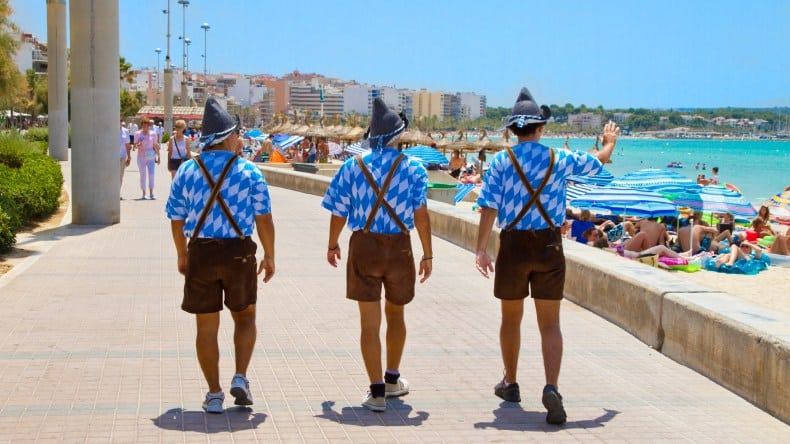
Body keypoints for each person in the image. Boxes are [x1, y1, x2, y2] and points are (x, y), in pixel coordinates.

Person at [474, 87, 620, 425]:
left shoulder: (501, 160)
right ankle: (551, 386)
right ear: (541, 129)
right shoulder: (559, 158)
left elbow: (488, 207)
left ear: (512, 130)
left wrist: (481, 249)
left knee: (511, 319)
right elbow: (597, 161)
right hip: (549, 246)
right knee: (550, 323)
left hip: (513, 246)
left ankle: (510, 383)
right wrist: (609, 141)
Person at [165, 97, 276, 414]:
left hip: (200, 251)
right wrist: (269, 255)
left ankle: (214, 394)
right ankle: (240, 377)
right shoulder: (249, 172)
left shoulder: (187, 170)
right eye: (237, 133)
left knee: (206, 326)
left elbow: (175, 217)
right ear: (228, 136)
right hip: (238, 252)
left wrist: (181, 254)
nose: (240, 139)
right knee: (245, 317)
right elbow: (264, 219)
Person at [322, 98, 433, 412]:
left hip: (364, 247)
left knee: (369, 323)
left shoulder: (353, 166)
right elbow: (421, 214)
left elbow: (338, 212)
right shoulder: (413, 168)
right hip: (399, 247)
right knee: (396, 315)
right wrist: (428, 254)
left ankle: (376, 392)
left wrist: (332, 244)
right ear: (397, 136)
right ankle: (393, 379)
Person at [134, 118, 160, 200]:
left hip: (150, 155)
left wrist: (159, 156)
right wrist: (137, 145)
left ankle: (151, 193)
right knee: (143, 175)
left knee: (151, 174)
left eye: (147, 125)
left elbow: (155, 145)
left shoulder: (153, 134)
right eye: (143, 125)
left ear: (149, 125)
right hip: (141, 156)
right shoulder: (137, 133)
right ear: (141, 125)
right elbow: (134, 145)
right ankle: (144, 193)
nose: (145, 126)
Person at [119, 120, 131, 199]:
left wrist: (129, 157)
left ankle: (118, 193)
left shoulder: (125, 131)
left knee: (120, 175)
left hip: (122, 157)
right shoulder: (110, 129)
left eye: (119, 121)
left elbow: (127, 144)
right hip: (111, 157)